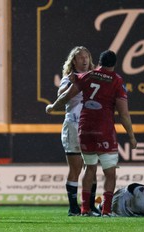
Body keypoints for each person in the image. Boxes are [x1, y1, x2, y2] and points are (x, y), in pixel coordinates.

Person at [46, 50, 137, 217]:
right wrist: (131, 135)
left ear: (98, 62)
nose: (84, 60)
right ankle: (106, 210)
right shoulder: (116, 80)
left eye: (86, 56)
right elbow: (123, 113)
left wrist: (52, 107)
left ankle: (85, 208)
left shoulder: (86, 76)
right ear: (114, 64)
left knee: (89, 169)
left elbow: (66, 96)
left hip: (85, 128)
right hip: (104, 129)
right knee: (109, 173)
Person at [57, 46, 99, 216]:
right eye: (80, 57)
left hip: (92, 126)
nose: (84, 60)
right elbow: (60, 95)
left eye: (86, 57)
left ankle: (89, 206)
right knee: (75, 168)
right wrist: (74, 83)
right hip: (73, 126)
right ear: (73, 61)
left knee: (92, 167)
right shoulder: (69, 79)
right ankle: (73, 207)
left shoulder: (96, 79)